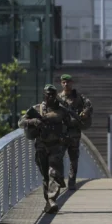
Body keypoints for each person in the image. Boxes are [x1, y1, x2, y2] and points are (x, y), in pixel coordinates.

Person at [18, 84, 73, 213]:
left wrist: (67, 137)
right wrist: (33, 122)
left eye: (52, 94)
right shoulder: (36, 109)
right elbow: (21, 122)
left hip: (56, 146)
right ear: (44, 95)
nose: (50, 97)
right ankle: (48, 202)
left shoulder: (62, 111)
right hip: (41, 147)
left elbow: (70, 125)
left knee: (54, 173)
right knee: (46, 177)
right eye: (48, 94)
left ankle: (52, 199)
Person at [58, 73, 94, 190]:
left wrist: (84, 113)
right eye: (63, 82)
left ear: (72, 83)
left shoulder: (78, 97)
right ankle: (60, 179)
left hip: (74, 133)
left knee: (73, 158)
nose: (66, 84)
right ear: (61, 83)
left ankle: (71, 182)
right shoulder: (58, 98)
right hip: (62, 133)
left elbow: (89, 105)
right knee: (59, 157)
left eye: (68, 82)